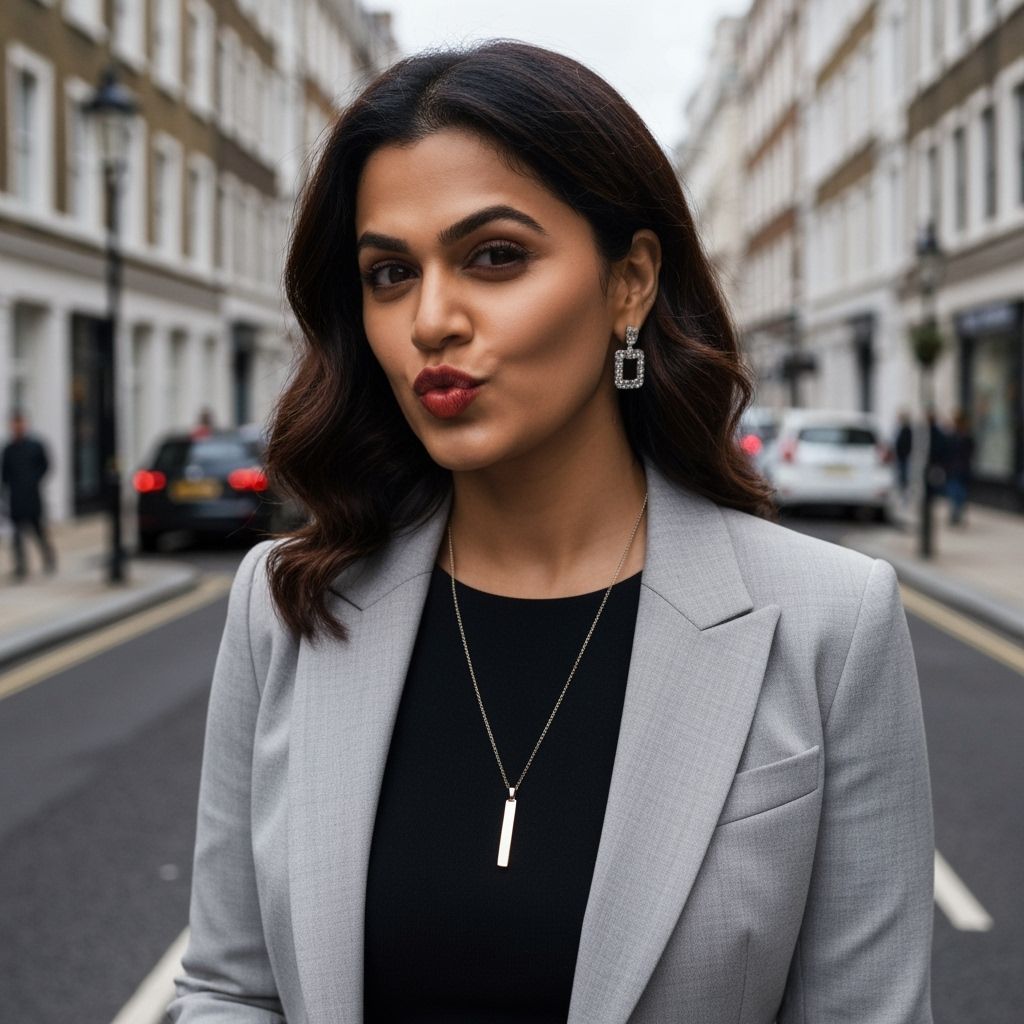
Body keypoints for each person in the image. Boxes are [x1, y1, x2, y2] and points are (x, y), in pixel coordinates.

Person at [170, 42, 934, 1024]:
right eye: (389, 272)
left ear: (630, 283)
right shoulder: (287, 602)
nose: (430, 320)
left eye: (494, 256)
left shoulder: (832, 621)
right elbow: (229, 987)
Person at [1, 410, 56, 580]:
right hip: (16, 498)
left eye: (20, 423)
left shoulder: (35, 446)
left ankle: (49, 558)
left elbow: (46, 465)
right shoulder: (8, 449)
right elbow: (4, 474)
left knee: (38, 531)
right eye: (15, 424)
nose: (17, 427)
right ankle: (21, 566)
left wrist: (34, 480)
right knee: (17, 535)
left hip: (32, 496)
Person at [944, 409, 975, 526]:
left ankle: (957, 513)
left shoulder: (967, 437)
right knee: (954, 492)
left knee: (960, 493)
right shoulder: (952, 436)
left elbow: (970, 452)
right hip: (953, 469)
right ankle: (955, 514)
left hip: (962, 470)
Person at [894, 409, 914, 502]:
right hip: (901, 457)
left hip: (904, 458)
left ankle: (905, 496)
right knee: (901, 477)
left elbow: (906, 444)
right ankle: (903, 495)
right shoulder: (901, 429)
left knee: (904, 478)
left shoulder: (907, 430)